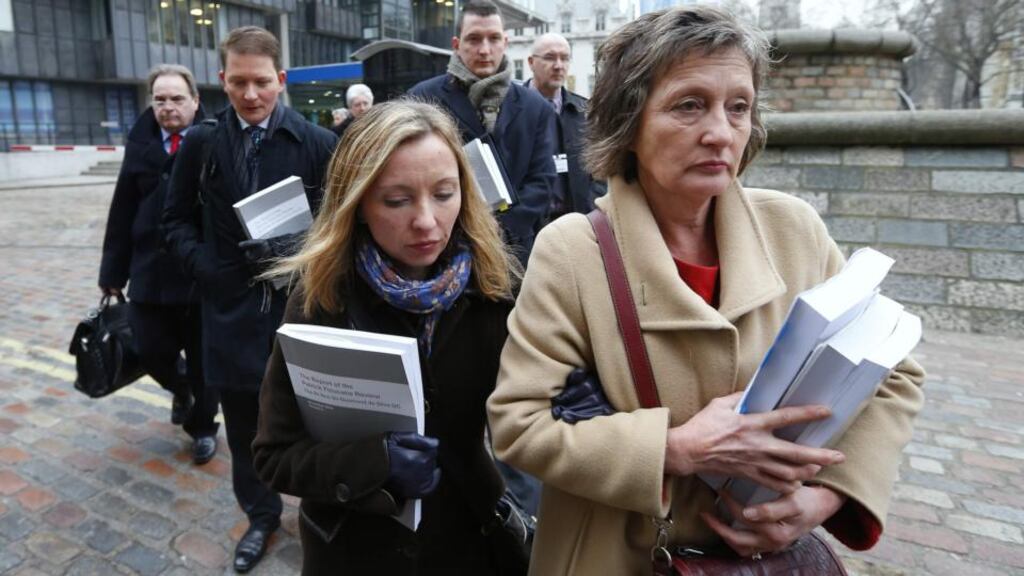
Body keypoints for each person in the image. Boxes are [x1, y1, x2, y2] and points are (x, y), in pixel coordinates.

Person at [487, 6, 926, 574]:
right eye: (689, 105)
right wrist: (675, 449)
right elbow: (519, 424)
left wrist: (825, 498)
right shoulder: (572, 250)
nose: (720, 132)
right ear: (629, 121)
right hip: (620, 555)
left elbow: (894, 374)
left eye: (738, 107)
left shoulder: (794, 228)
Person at [251, 100, 520, 574]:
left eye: (444, 194)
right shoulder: (320, 301)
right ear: (356, 204)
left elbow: (529, 416)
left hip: (470, 545)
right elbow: (274, 456)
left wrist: (566, 397)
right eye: (397, 201)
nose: (426, 221)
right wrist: (373, 464)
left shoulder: (496, 289)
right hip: (356, 553)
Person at [162, 26, 338, 573]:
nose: (251, 94)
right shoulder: (202, 143)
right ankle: (261, 515)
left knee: (316, 422)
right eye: (238, 82)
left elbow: (341, 226)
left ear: (280, 79)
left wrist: (294, 253)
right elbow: (174, 220)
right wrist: (205, 267)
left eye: (261, 82)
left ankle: (322, 512)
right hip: (230, 313)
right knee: (245, 428)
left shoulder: (316, 143)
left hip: (301, 312)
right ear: (222, 79)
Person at [99, 64, 219, 464]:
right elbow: (122, 209)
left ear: (195, 101)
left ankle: (203, 427)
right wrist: (112, 274)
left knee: (205, 362)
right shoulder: (140, 144)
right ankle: (181, 390)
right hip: (149, 273)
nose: (168, 107)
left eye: (177, 98)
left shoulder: (215, 140)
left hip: (198, 275)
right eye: (160, 99)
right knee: (149, 350)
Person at [408, 0, 556, 265]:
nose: (485, 50)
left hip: (513, 253)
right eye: (474, 39)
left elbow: (542, 182)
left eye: (493, 38)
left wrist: (498, 228)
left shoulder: (536, 108)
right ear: (456, 44)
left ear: (505, 42)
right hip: (443, 248)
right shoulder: (421, 99)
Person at [525, 33, 606, 221]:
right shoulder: (510, 110)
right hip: (529, 227)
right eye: (550, 57)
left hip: (577, 222)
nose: (558, 65)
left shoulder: (586, 112)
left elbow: (602, 170)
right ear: (531, 62)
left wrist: (590, 211)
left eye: (564, 58)